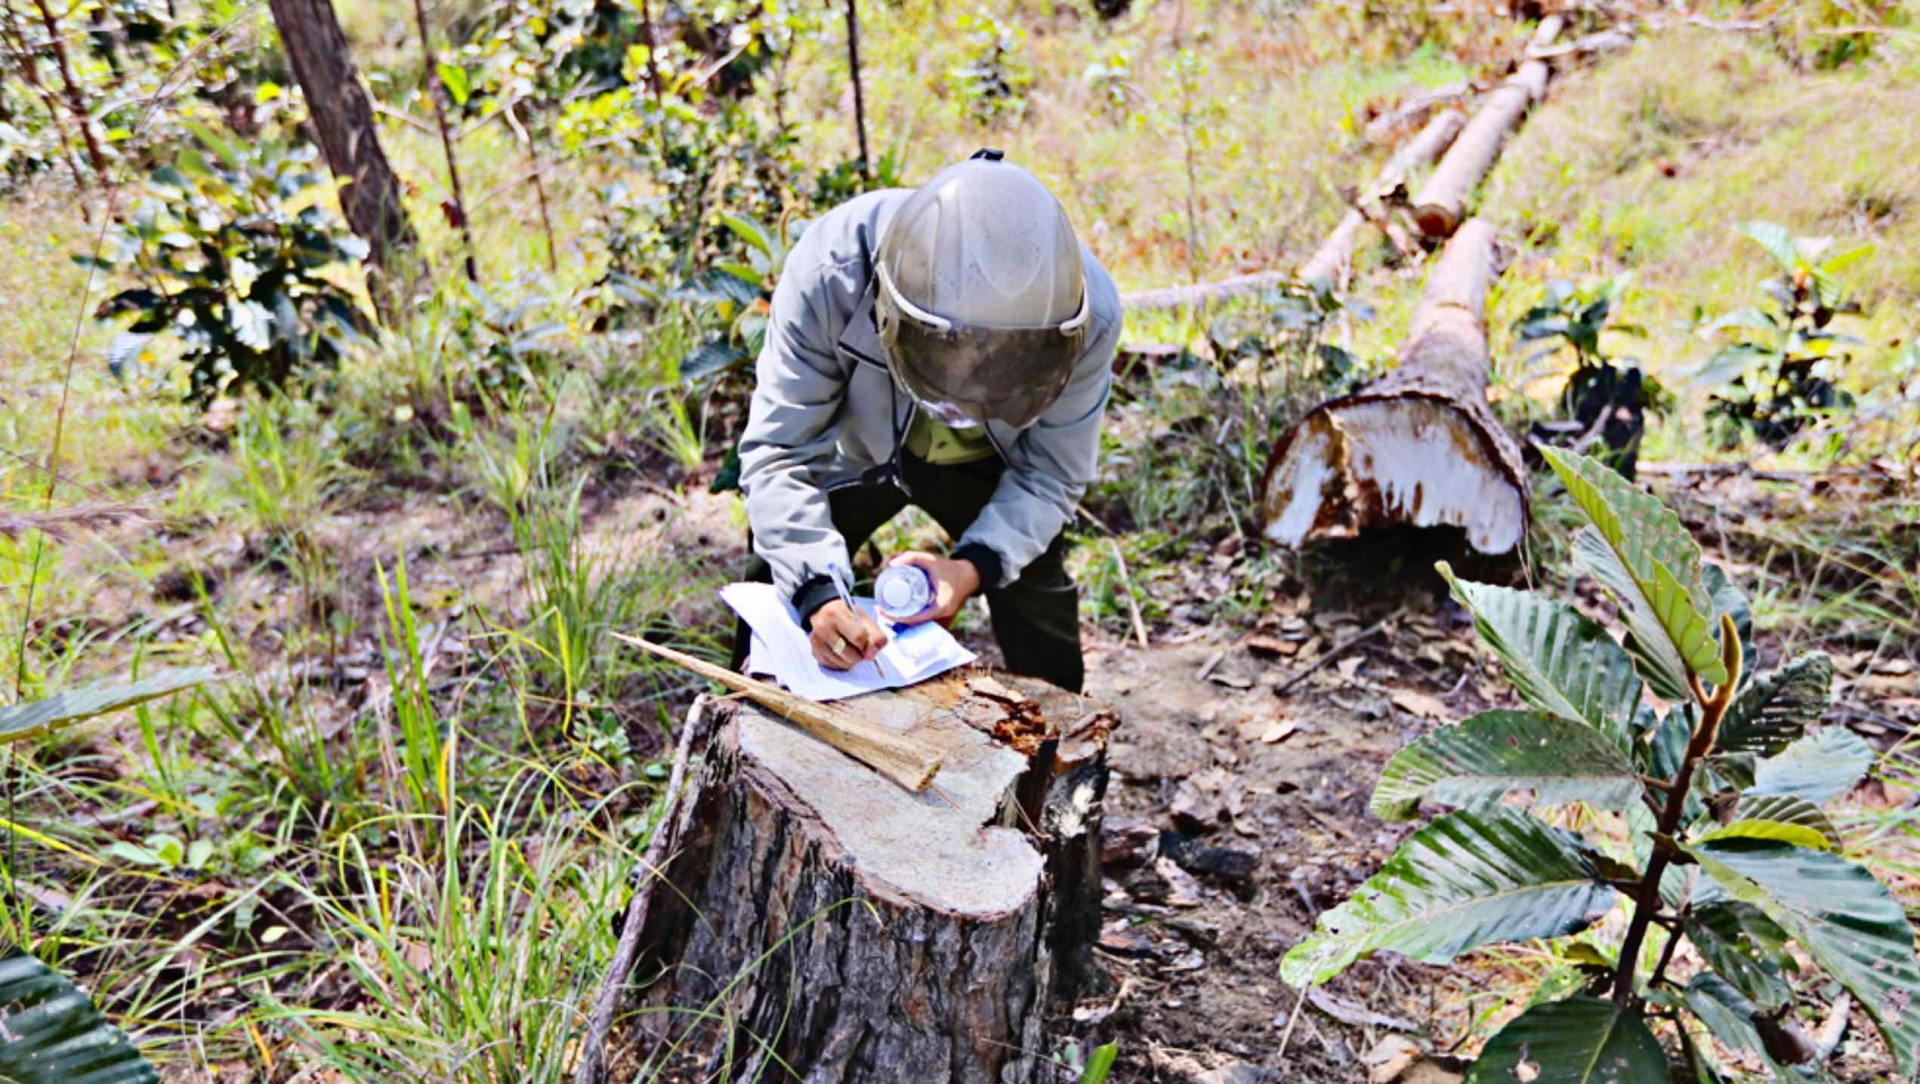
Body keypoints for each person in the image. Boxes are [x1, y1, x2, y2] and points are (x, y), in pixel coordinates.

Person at [731, 150, 1123, 694]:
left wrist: (970, 570)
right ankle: (747, 723)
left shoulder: (1087, 316)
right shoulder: (834, 271)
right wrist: (816, 592)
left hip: (990, 466)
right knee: (775, 586)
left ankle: (1059, 755)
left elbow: (1052, 475)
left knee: (1039, 601)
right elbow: (780, 453)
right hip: (855, 449)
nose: (962, 407)